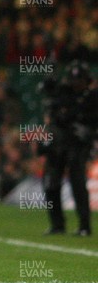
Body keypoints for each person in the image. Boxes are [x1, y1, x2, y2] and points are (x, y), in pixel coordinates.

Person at [39, 60, 97, 237]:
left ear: (86, 80)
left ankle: (84, 226)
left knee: (78, 182)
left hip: (78, 144)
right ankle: (57, 224)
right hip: (59, 142)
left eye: (79, 80)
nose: (75, 84)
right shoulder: (63, 92)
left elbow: (92, 123)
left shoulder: (93, 97)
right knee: (51, 182)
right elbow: (45, 91)